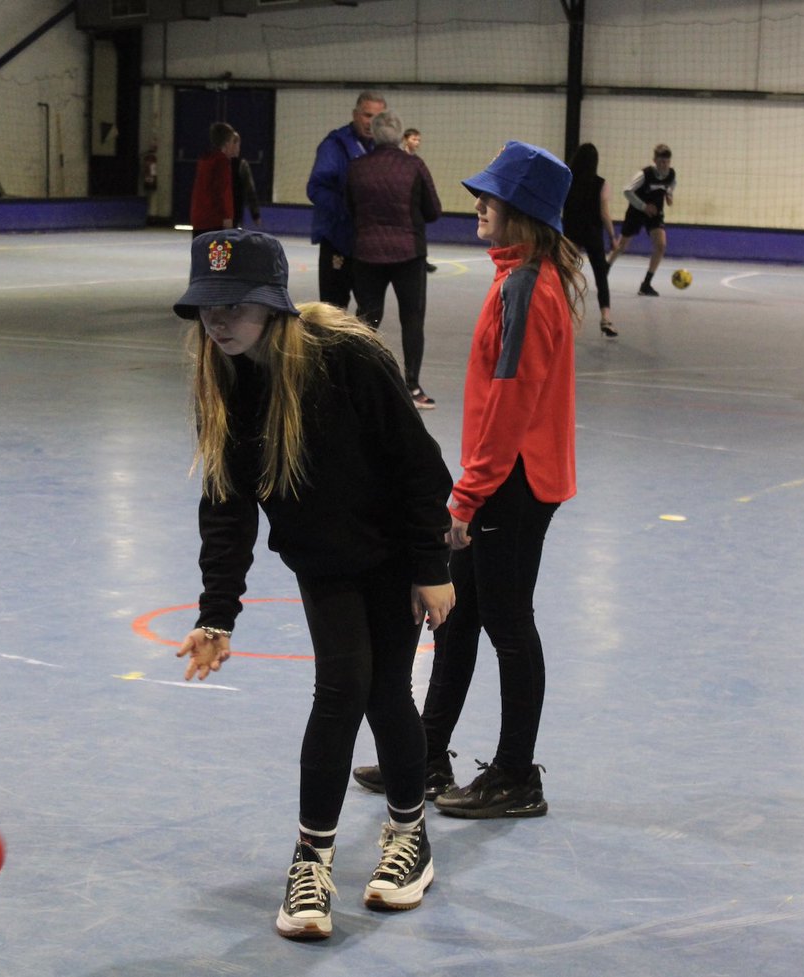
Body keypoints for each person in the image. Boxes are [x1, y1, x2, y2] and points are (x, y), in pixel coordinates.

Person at [174, 229, 455, 939]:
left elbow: (419, 467)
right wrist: (217, 613)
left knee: (385, 690)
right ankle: (312, 859)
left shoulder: (346, 360)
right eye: (208, 306)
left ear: (272, 306)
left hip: (393, 548)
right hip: (323, 560)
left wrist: (431, 566)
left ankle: (408, 836)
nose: (217, 321)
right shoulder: (227, 380)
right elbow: (228, 510)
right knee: (342, 687)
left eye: (234, 306)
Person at [353, 142, 582, 820]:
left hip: (512, 481)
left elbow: (510, 407)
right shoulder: (521, 276)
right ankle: (425, 752)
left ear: (524, 212)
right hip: (507, 476)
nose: (479, 204)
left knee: (509, 625)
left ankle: (516, 773)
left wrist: (465, 496)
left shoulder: (524, 288)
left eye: (493, 197)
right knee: (457, 621)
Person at [347, 110, 442, 409]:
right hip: (409, 255)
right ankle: (412, 387)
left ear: (373, 134)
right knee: (412, 320)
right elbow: (433, 210)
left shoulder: (356, 168)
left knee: (366, 319)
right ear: (400, 136)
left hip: (366, 254)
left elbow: (348, 208)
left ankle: (356, 382)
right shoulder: (414, 166)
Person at [306, 90, 386, 308]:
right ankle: (333, 345)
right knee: (333, 310)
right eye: (367, 115)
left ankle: (359, 344)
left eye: (377, 118)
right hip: (338, 241)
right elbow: (315, 188)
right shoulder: (334, 145)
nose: (371, 123)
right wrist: (349, 209)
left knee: (371, 309)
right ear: (355, 114)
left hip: (370, 245)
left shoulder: (383, 148)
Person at [606, 143, 676, 296]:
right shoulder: (644, 174)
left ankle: (646, 284)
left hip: (655, 213)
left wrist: (669, 195)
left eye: (667, 162)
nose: (664, 165)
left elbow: (670, 186)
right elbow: (627, 190)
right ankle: (604, 270)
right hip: (637, 211)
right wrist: (643, 206)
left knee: (661, 246)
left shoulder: (671, 174)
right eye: (661, 161)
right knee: (622, 246)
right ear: (655, 160)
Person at [563, 142, 617, 337]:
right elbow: (604, 213)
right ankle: (606, 318)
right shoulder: (601, 183)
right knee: (601, 277)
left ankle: (561, 314)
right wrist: (612, 236)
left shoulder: (566, 181)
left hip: (570, 232)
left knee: (564, 275)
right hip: (593, 233)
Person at [189, 122, 237, 237]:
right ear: (226, 144)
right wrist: (228, 216)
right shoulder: (222, 162)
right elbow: (223, 191)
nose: (233, 146)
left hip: (199, 218)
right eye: (232, 142)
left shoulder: (204, 160)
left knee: (201, 253)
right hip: (214, 220)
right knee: (218, 254)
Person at [402, 127, 437, 273]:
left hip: (415, 204)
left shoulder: (417, 161)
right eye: (414, 139)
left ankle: (422, 260)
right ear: (405, 139)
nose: (417, 142)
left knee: (419, 232)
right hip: (403, 204)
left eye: (418, 140)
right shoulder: (400, 159)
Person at [230, 132, 262, 229]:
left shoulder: (215, 163)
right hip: (234, 211)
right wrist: (255, 214)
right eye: (238, 145)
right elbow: (250, 191)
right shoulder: (242, 165)